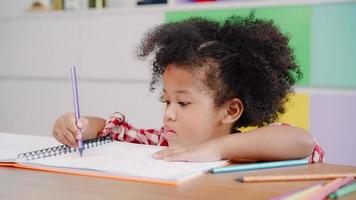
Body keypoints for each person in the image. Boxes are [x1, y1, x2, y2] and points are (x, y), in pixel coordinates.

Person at [53, 15, 323, 163]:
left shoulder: (257, 151)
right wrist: (78, 126)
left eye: (183, 103)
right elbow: (110, 131)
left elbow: (302, 142)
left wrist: (215, 150)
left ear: (230, 110)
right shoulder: (163, 143)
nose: (168, 114)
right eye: (166, 101)